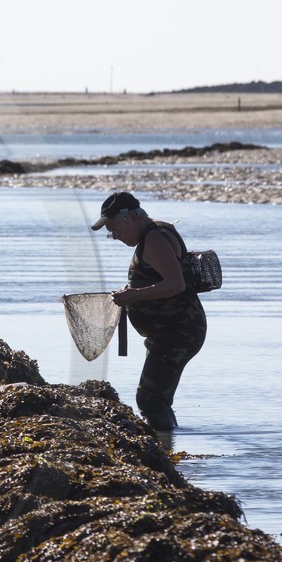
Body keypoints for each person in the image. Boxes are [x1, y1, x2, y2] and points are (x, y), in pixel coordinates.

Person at [91, 191, 206, 447]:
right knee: (158, 398)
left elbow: (175, 284)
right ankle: (169, 445)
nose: (115, 236)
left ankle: (163, 453)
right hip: (169, 332)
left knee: (150, 399)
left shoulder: (155, 238)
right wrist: (129, 291)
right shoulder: (151, 236)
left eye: (115, 229)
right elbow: (156, 278)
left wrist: (134, 295)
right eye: (111, 232)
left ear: (131, 217)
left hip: (178, 332)